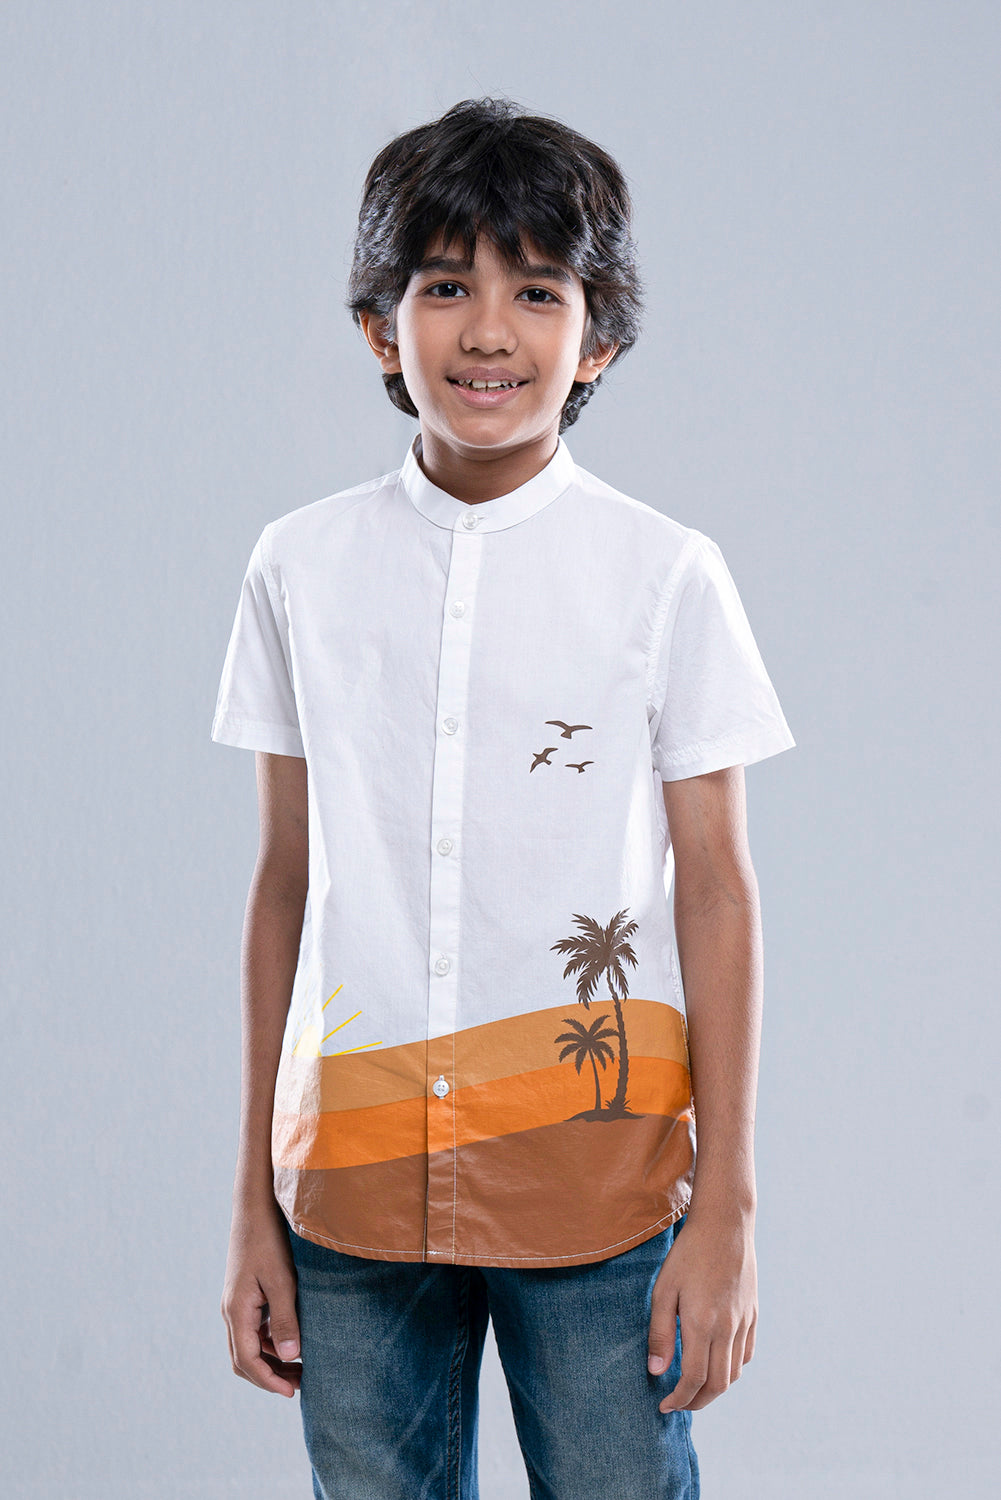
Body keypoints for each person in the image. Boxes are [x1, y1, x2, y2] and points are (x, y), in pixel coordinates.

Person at [211, 96, 794, 1500]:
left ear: (596, 339)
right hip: (347, 1190)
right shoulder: (299, 568)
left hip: (598, 1188)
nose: (487, 332)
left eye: (536, 291)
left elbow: (717, 888)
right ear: (379, 327)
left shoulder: (663, 574)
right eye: (444, 287)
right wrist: (251, 1202)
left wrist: (726, 1207)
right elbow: (287, 883)